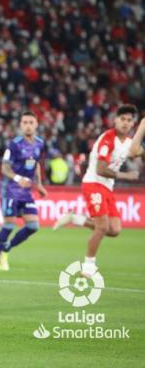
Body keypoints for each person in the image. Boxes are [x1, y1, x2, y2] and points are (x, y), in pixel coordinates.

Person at [54, 105, 141, 277]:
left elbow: (139, 152)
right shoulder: (107, 139)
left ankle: (75, 218)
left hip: (107, 187)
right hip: (93, 183)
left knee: (114, 230)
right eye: (122, 119)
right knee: (101, 227)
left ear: (133, 124)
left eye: (129, 120)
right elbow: (101, 169)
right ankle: (88, 266)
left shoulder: (129, 143)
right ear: (115, 120)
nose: (125, 123)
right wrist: (127, 175)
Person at [0, 111, 47, 271]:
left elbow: (37, 164)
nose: (28, 125)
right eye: (25, 122)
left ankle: (5, 249)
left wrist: (39, 185)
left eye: (31, 122)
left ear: (36, 125)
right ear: (20, 125)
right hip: (10, 189)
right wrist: (18, 178)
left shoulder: (40, 143)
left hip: (26, 192)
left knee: (33, 226)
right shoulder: (15, 144)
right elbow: (4, 168)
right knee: (9, 225)